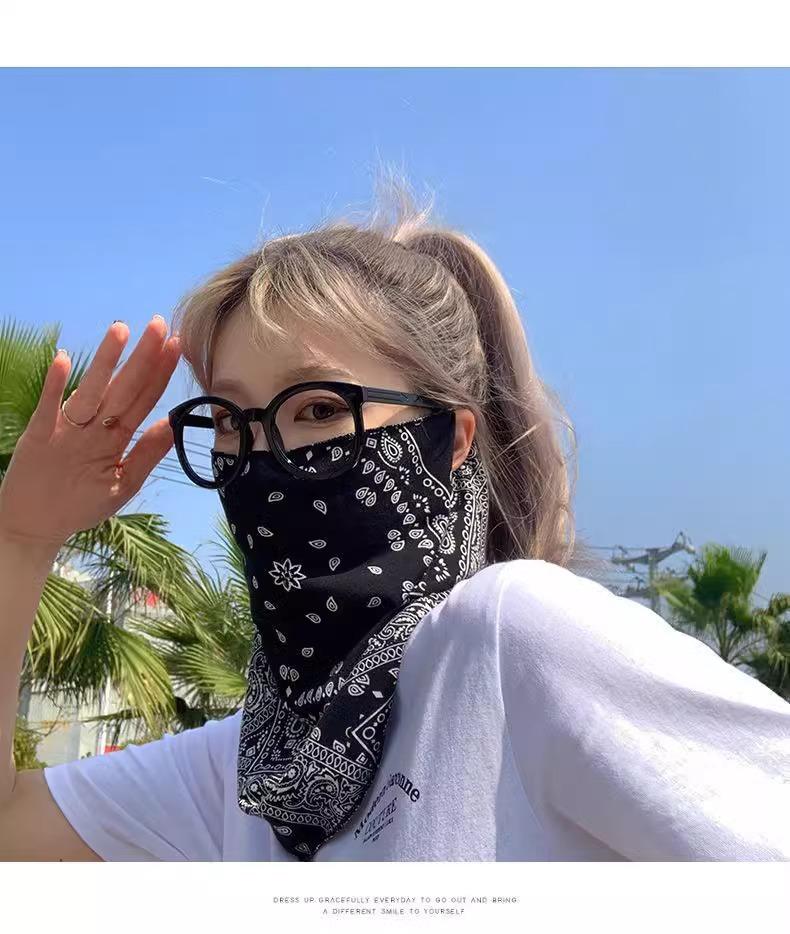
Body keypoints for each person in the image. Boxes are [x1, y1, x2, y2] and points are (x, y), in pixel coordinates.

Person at [0, 179, 788, 862]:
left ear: (452, 437)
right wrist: (22, 540)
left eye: (318, 408)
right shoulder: (253, 771)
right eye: (232, 422)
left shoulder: (509, 643)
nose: (265, 457)